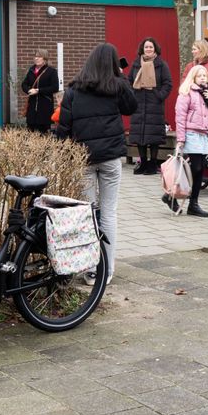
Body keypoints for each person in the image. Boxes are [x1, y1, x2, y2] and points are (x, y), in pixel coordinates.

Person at [56, 43, 137, 285]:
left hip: (84, 158)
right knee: (109, 212)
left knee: (88, 213)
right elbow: (131, 107)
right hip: (111, 158)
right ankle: (107, 269)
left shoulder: (73, 91)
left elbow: (64, 127)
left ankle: (91, 269)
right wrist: (121, 77)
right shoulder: (117, 86)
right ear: (112, 64)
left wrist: (61, 155)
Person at [173, 65, 208, 218]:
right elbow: (180, 117)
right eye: (199, 75)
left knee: (200, 169)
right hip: (191, 133)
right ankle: (178, 197)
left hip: (203, 135)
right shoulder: (186, 93)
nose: (203, 78)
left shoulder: (207, 94)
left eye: (205, 75)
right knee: (195, 168)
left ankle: (192, 203)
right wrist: (181, 138)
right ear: (193, 77)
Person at [127, 37, 173, 175]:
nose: (148, 49)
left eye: (151, 47)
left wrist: (158, 95)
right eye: (146, 47)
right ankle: (143, 163)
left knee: (153, 137)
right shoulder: (136, 64)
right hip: (139, 104)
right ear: (142, 49)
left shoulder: (161, 65)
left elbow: (168, 84)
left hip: (155, 105)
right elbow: (129, 81)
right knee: (140, 135)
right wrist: (133, 95)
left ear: (155, 49)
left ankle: (152, 164)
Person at [21, 49, 59, 134]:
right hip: (32, 106)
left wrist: (39, 91)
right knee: (30, 132)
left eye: (39, 56)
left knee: (43, 133)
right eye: (35, 56)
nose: (36, 58)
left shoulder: (51, 71)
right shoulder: (31, 70)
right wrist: (28, 90)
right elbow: (24, 84)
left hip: (44, 107)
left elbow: (55, 87)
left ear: (45, 59)